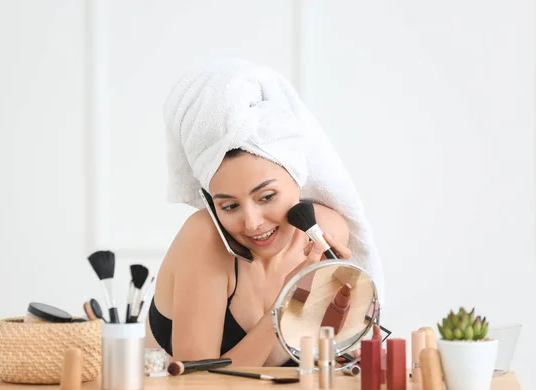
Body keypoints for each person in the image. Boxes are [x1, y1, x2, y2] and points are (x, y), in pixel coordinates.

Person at [144, 58, 383, 367]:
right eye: (229, 205)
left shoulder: (327, 233)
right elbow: (199, 387)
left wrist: (341, 309)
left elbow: (321, 367)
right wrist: (285, 302)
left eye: (267, 196)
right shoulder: (205, 239)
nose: (252, 222)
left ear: (297, 178)